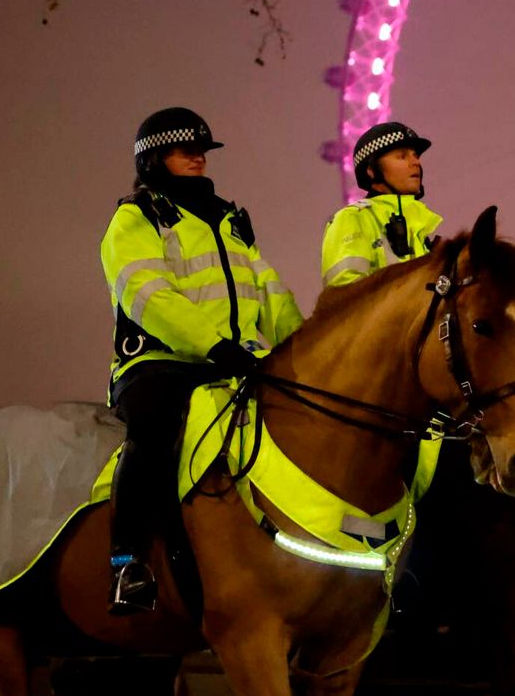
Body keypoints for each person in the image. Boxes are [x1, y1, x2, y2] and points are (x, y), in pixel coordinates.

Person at [101, 107, 303, 613]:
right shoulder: (135, 218)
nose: (196, 158)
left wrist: (305, 348)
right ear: (152, 162)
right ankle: (128, 564)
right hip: (159, 362)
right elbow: (147, 294)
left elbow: (270, 289)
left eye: (200, 151)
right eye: (182, 150)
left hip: (237, 360)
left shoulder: (232, 221)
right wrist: (214, 344)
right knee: (153, 429)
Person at [321, 121, 442, 288]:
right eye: (402, 156)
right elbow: (345, 298)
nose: (415, 163)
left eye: (416, 155)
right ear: (372, 171)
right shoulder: (352, 218)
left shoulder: (420, 227)